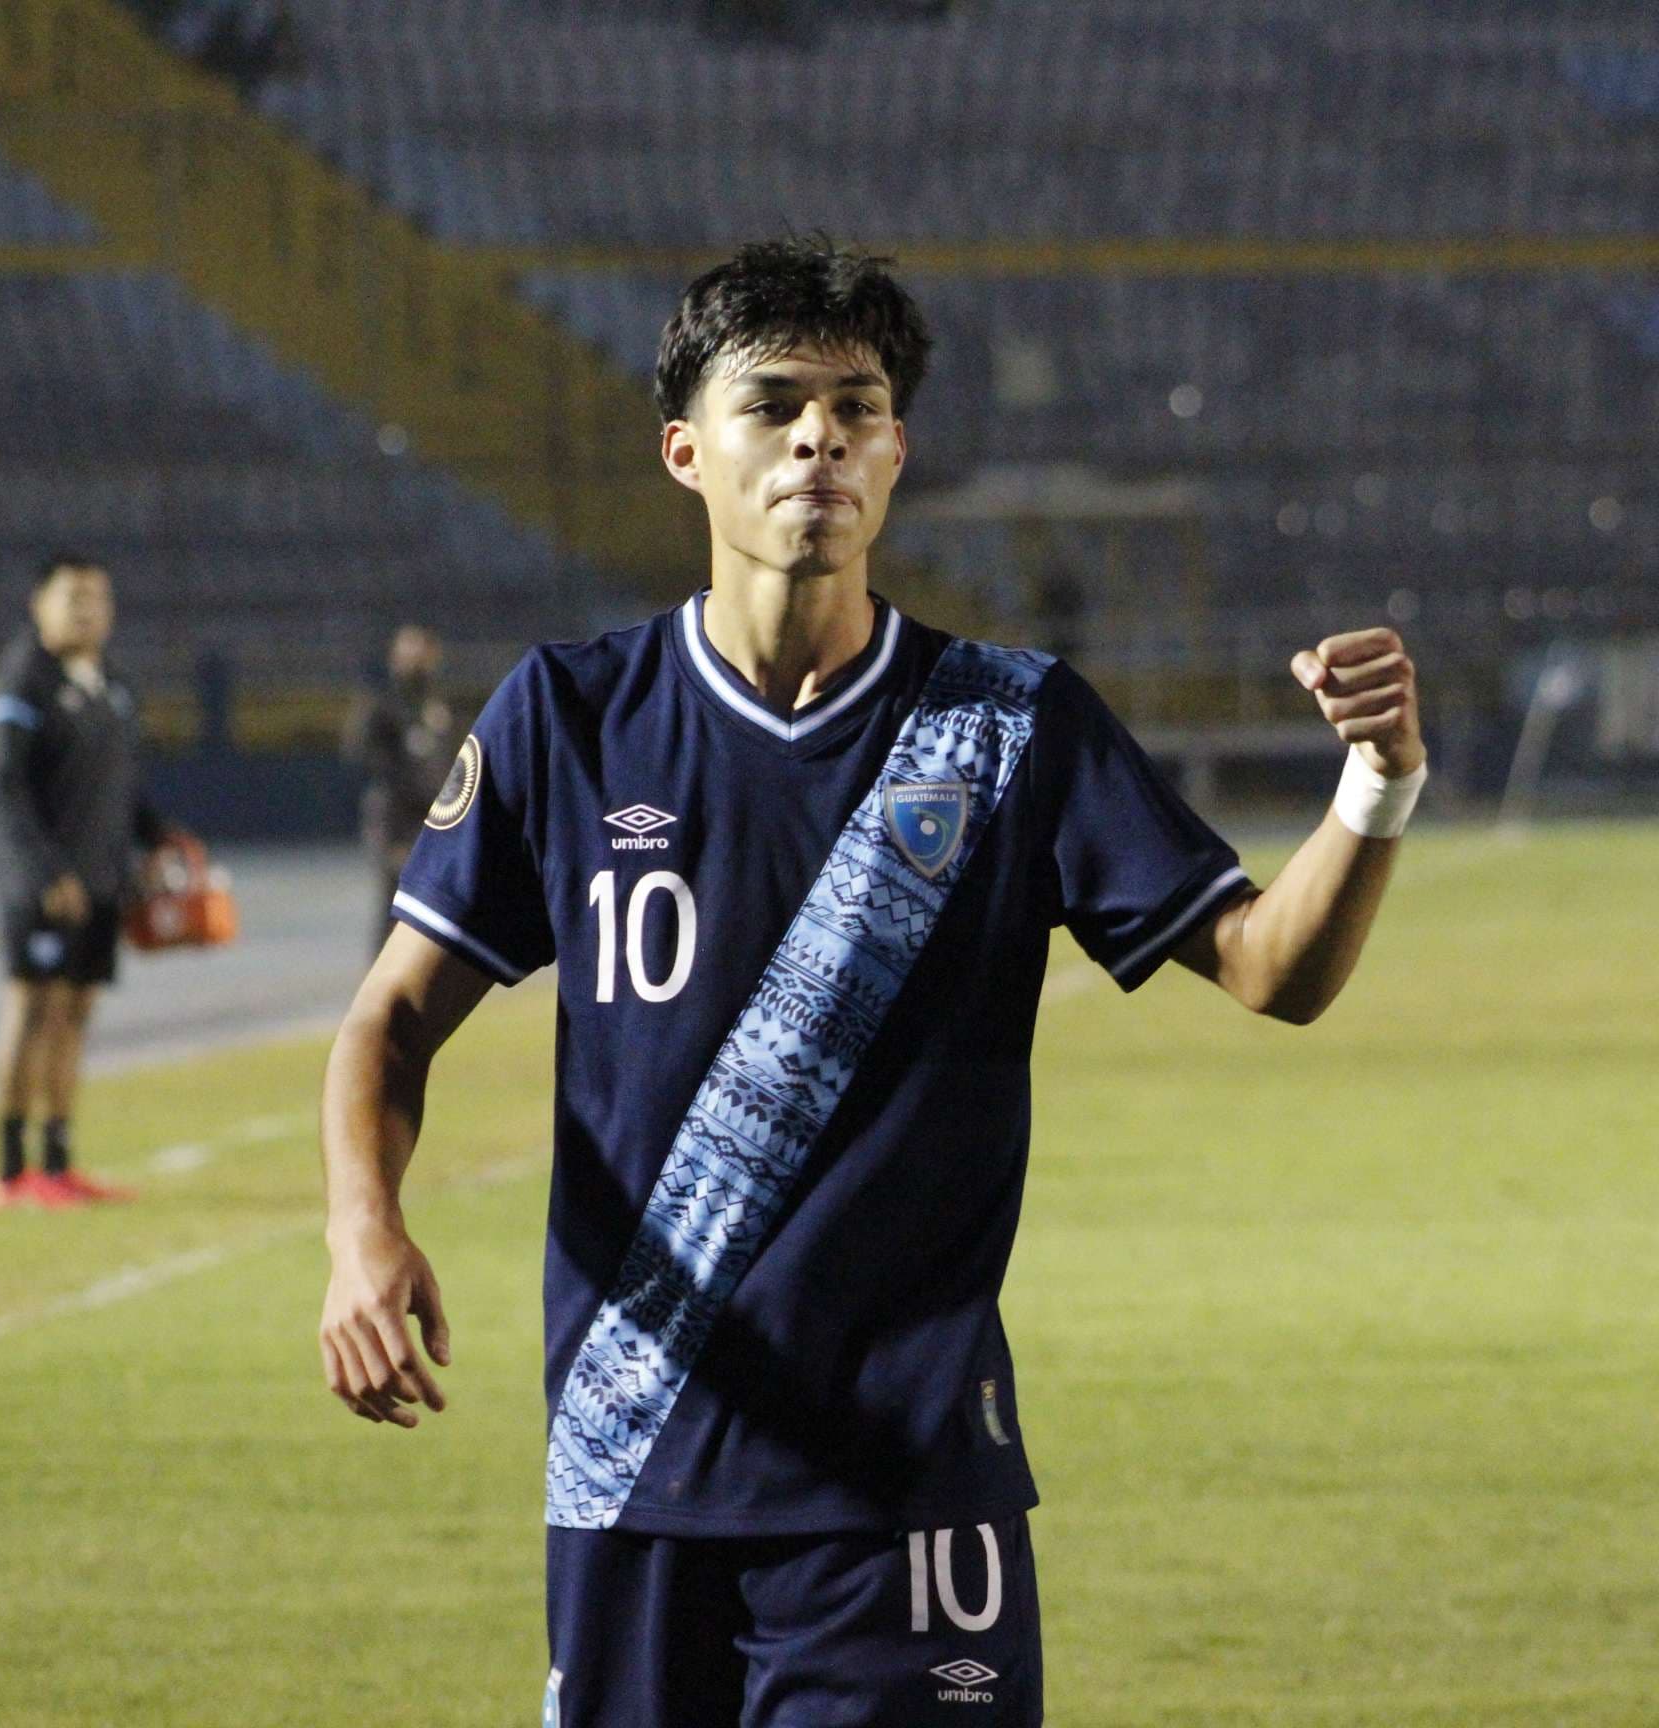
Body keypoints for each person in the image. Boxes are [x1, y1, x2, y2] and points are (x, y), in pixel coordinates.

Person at [317, 238, 1427, 1726]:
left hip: (908, 1485)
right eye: (772, 403)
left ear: (897, 450)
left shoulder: (1013, 729)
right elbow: (391, 1017)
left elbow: (1275, 971)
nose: (817, 436)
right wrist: (361, 1229)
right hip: (632, 1466)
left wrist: (1378, 783)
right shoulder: (568, 721)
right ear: (685, 451)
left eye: (856, 404)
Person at [0, 554, 173, 1211]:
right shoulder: (18, 682)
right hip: (43, 885)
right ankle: (9, 1171)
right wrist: (44, 872)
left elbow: (121, 785)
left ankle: (57, 1163)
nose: (87, 609)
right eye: (72, 596)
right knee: (32, 1010)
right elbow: (2, 790)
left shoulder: (110, 682)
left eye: (97, 596)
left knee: (76, 1015)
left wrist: (161, 837)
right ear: (39, 605)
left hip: (101, 881)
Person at [340, 624, 458, 953]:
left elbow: (448, 760)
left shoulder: (437, 705)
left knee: (434, 904)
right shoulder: (382, 704)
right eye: (406, 653)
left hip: (434, 819)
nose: (414, 661)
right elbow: (363, 755)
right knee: (396, 900)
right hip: (396, 820)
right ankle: (382, 982)